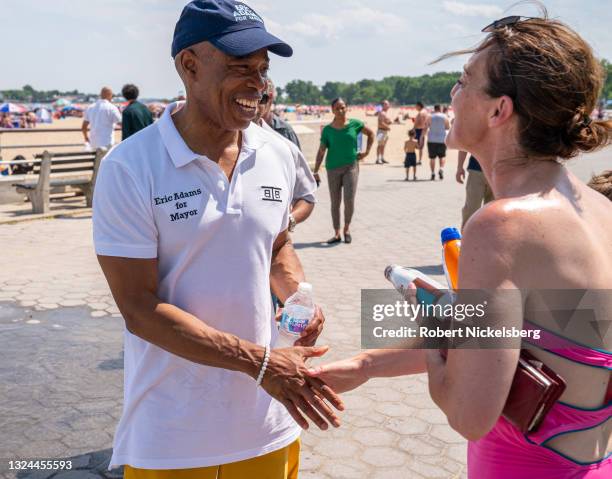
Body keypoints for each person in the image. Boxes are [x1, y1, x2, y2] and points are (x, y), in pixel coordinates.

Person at [309, 11, 612, 479]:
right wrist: (367, 363)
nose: (453, 94)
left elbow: (469, 415)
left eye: (464, 81)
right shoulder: (596, 207)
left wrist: (433, 318)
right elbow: (522, 346)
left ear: (498, 110)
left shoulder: (501, 226)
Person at [92, 1, 344, 478]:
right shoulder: (130, 167)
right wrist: (261, 362)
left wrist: (299, 298)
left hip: (268, 420)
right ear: (190, 65)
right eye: (239, 67)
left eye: (262, 69)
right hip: (172, 434)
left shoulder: (278, 152)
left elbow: (277, 245)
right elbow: (139, 308)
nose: (258, 83)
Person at [255, 78, 316, 229]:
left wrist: (288, 222)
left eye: (262, 98)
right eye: (251, 96)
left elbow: (305, 193)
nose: (256, 103)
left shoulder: (285, 138)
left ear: (271, 99)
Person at [313, 98, 374, 244]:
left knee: (349, 200)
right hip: (332, 169)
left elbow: (371, 134)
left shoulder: (355, 124)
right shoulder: (328, 130)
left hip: (351, 167)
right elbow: (321, 151)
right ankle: (336, 233)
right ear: (332, 110)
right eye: (338, 108)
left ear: (347, 108)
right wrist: (315, 171)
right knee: (335, 202)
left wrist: (366, 153)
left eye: (343, 107)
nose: (341, 111)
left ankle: (346, 229)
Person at [258, 79, 301, 149]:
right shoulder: (244, 128)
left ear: (270, 97)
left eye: (260, 98)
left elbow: (296, 158)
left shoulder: (285, 131)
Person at [456, 151, 493, 228]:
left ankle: (490, 238)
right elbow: (464, 143)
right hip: (476, 170)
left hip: (498, 173)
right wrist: (460, 167)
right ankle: (467, 237)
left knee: (493, 212)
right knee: (472, 208)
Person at [426, 104, 450, 180]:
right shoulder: (444, 116)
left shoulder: (430, 116)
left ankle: (433, 173)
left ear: (434, 108)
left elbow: (427, 126)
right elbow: (447, 127)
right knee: (442, 156)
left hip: (431, 139)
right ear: (440, 108)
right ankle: (441, 169)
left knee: (432, 158)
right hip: (442, 139)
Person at [376, 100, 392, 164]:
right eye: (386, 104)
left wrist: (389, 122)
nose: (388, 105)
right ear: (383, 105)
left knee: (383, 145)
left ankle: (382, 158)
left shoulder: (384, 113)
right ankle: (378, 159)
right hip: (380, 131)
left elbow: (384, 122)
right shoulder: (382, 113)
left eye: (388, 104)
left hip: (384, 131)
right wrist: (388, 127)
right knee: (379, 145)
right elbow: (380, 123)